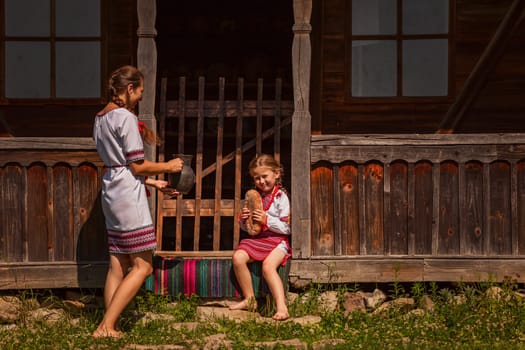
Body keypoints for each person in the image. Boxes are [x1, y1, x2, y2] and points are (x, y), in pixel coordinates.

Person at [92, 65, 184, 338]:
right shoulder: (125, 118)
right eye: (140, 91)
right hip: (127, 195)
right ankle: (106, 326)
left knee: (118, 263)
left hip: (111, 188)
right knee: (143, 265)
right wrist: (169, 165)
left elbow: (119, 164)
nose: (141, 97)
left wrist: (154, 183)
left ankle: (112, 324)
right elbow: (137, 165)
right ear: (129, 88)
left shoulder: (99, 117)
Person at [230, 154, 291, 321]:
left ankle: (281, 306)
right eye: (257, 178)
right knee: (238, 257)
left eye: (265, 176)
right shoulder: (254, 197)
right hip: (259, 240)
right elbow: (250, 229)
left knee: (268, 267)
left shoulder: (281, 197)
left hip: (278, 241)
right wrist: (244, 220)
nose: (261, 181)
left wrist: (267, 220)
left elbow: (287, 228)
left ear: (277, 173)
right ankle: (249, 299)